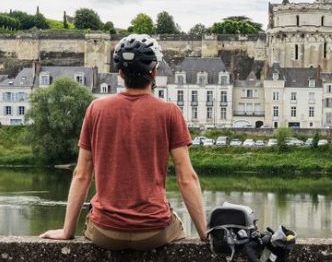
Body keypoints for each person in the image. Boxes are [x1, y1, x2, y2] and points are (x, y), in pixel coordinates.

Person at [39, 34, 207, 249]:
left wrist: (67, 231)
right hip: (153, 231)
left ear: (120, 74)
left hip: (104, 232)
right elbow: (186, 178)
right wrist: (204, 233)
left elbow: (81, 174)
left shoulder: (96, 109)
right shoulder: (170, 112)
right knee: (177, 225)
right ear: (154, 72)